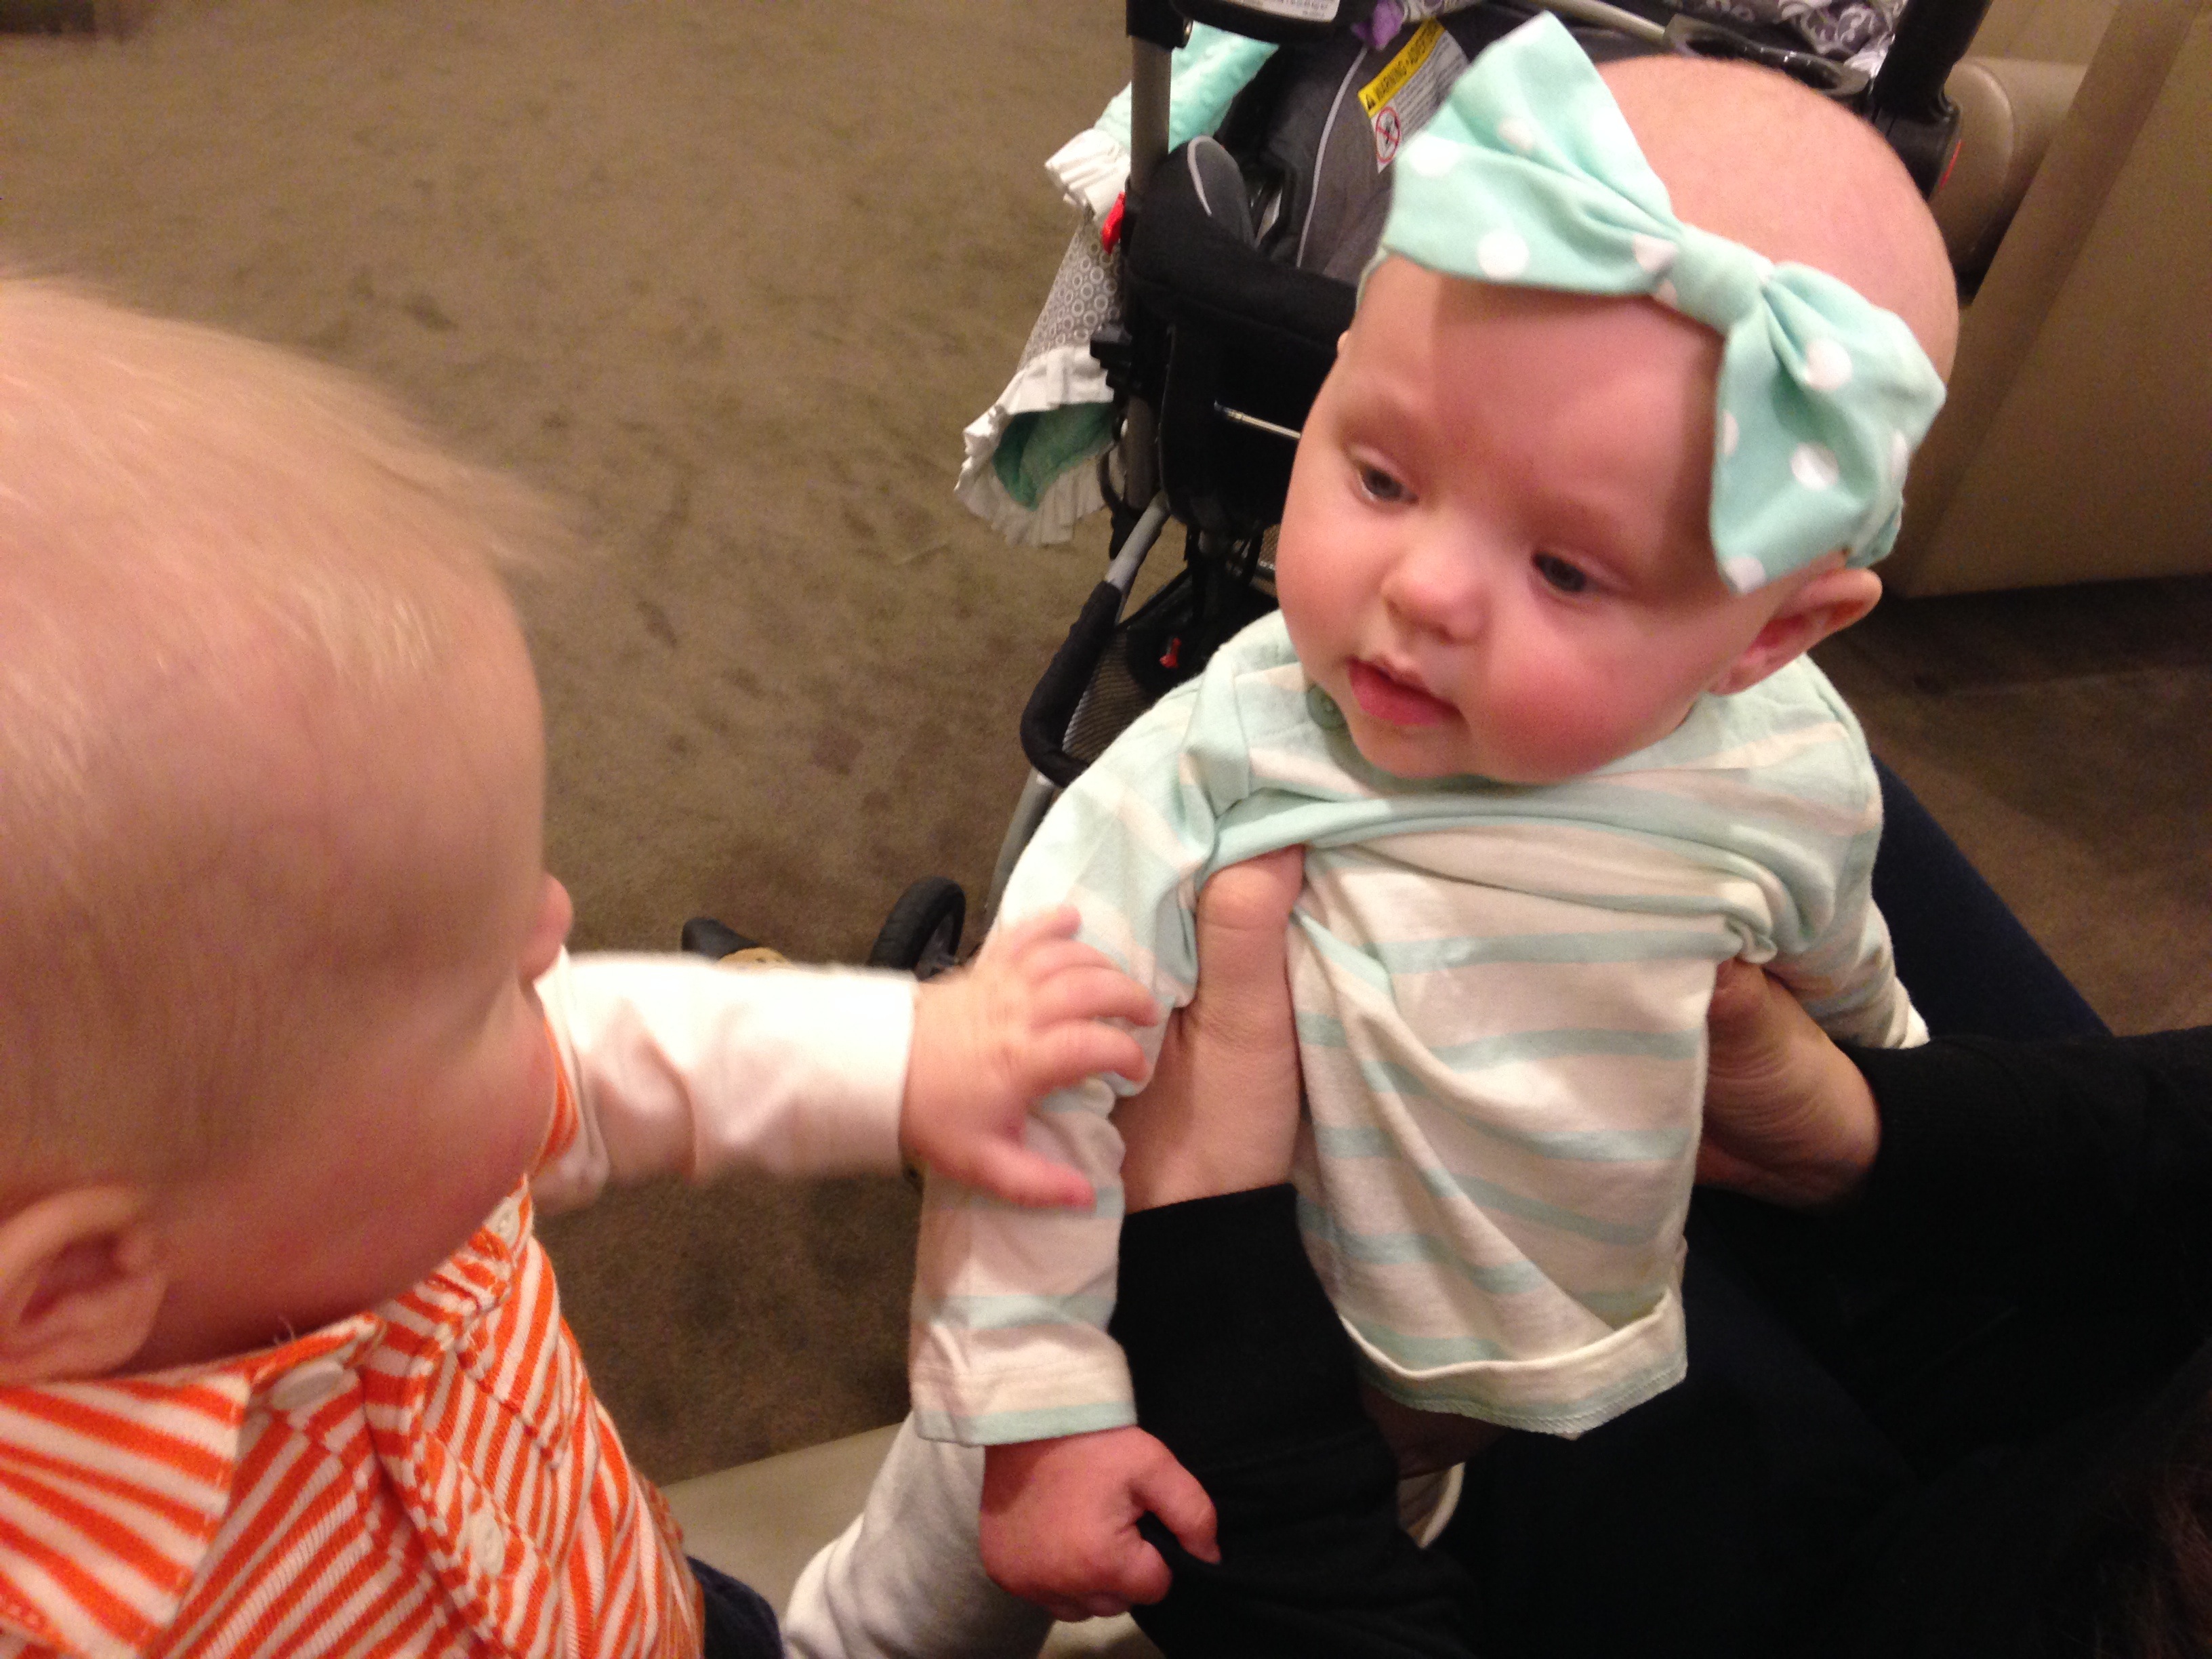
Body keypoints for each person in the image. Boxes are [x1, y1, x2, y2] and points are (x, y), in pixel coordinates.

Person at [785, 18, 1959, 1654]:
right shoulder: (1225, 764)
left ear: (1770, 638)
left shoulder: (1793, 774)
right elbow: (1021, 1081)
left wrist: (1906, 1120)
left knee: (1360, 1553)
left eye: (1567, 570)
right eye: (1386, 475)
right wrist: (1038, 1416)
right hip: (1123, 1334)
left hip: (1452, 1405)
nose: (1424, 590)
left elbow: (1852, 991)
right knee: (926, 1599)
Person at [0, 277, 1153, 1659]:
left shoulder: (336, 1152)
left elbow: (607, 1055)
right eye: (488, 993)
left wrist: (912, 1056)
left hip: (639, 1603)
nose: (557, 927)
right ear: (78, 1288)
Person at [1096, 791, 2212, 1659]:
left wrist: (1209, 1310)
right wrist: (1862, 1132)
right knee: (1713, 800)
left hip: (1867, 1595)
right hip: (2091, 1370)